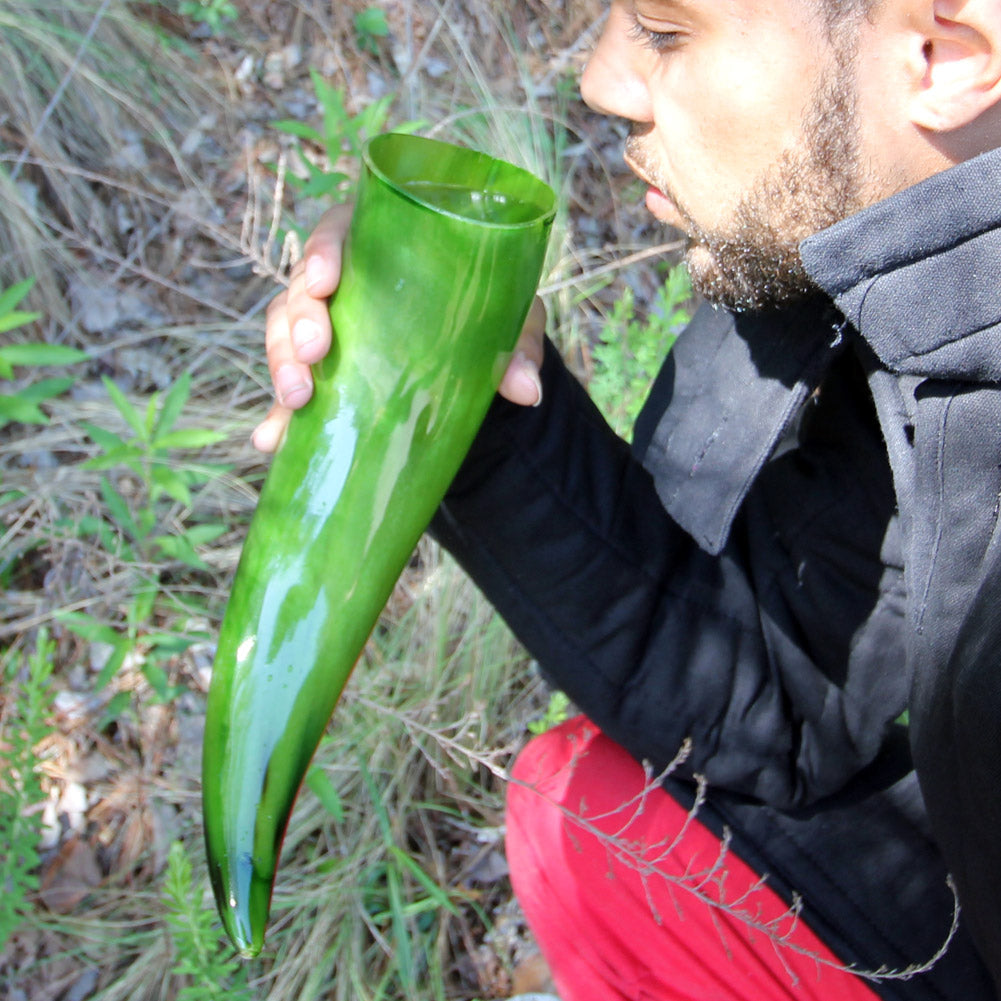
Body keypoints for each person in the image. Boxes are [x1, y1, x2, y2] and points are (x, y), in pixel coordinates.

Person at [257, 0, 1001, 997]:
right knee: (582, 813)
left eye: (662, 27)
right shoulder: (929, 314)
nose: (599, 80)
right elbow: (786, 697)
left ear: (945, 56)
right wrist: (460, 410)